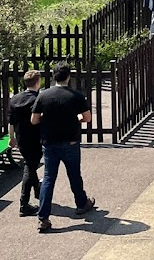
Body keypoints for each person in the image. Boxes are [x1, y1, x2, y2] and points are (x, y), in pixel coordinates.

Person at [31, 61, 96, 233]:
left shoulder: (43, 96)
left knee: (48, 179)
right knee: (74, 174)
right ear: (68, 77)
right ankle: (81, 203)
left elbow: (34, 120)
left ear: (53, 77)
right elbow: (87, 118)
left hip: (50, 143)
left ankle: (43, 217)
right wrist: (78, 120)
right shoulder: (76, 96)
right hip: (70, 141)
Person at [7, 70, 42, 217]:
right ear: (38, 82)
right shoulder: (38, 99)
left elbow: (11, 122)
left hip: (21, 138)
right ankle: (24, 203)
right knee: (30, 167)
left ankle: (38, 191)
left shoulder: (15, 99)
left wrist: (11, 137)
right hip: (36, 138)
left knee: (31, 164)